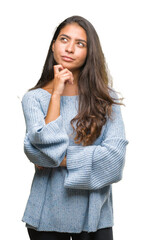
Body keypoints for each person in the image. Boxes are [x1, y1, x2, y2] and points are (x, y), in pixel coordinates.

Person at [21, 15, 129, 240]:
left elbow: (114, 161)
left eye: (80, 44)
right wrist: (57, 94)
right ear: (53, 45)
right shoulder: (34, 99)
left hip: (95, 214)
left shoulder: (107, 99)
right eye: (64, 39)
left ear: (90, 52)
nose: (70, 48)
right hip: (46, 215)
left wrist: (56, 159)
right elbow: (43, 152)